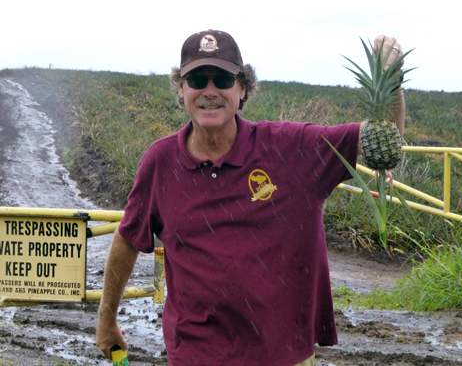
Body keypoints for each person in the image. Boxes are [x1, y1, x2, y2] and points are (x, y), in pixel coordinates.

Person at [96, 29, 406, 366]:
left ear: (242, 89)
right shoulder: (160, 163)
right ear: (181, 90)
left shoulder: (290, 149)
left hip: (283, 356)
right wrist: (106, 319)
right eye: (198, 79)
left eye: (223, 80)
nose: (210, 91)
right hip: (196, 355)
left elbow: (381, 143)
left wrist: (390, 82)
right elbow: (128, 239)